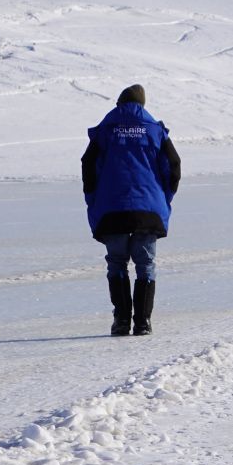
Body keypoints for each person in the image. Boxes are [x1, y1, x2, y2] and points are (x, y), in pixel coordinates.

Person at [82, 84, 181, 336]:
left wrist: (93, 199)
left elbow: (88, 165)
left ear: (119, 103)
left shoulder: (106, 130)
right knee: (145, 264)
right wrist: (163, 197)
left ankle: (122, 320)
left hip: (111, 208)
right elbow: (174, 166)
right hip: (148, 209)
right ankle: (143, 322)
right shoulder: (155, 131)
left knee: (116, 262)